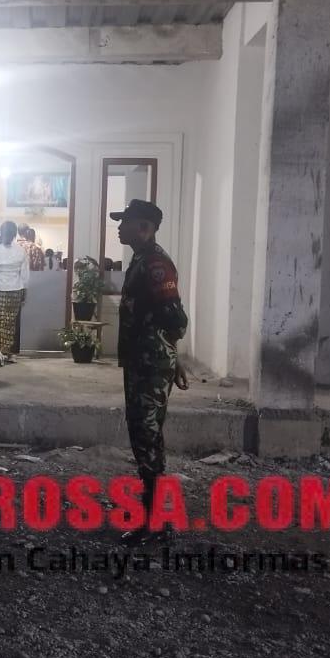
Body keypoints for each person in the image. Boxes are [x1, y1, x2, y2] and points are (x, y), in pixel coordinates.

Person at [111, 200, 189, 546]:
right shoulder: (141, 260)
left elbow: (175, 318)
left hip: (150, 364)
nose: (119, 227)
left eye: (124, 221)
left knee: (146, 435)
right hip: (145, 361)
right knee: (145, 435)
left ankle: (155, 521)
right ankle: (153, 515)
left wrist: (166, 353)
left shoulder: (155, 264)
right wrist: (172, 355)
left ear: (143, 227)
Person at [0, 221, 30, 367]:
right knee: (11, 322)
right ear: (14, 234)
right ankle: (10, 352)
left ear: (1, 233)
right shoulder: (21, 251)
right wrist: (25, 290)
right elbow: (24, 274)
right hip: (16, 289)